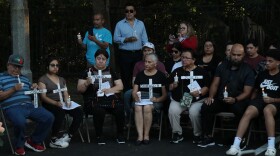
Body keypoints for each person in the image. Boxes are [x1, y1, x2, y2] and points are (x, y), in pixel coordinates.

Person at [198, 44, 255, 148]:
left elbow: (247, 92)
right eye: (234, 54)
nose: (236, 57)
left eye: (239, 55)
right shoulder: (222, 66)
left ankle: (240, 138)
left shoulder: (248, 70)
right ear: (230, 54)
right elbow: (215, 83)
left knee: (241, 110)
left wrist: (235, 99)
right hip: (221, 99)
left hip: (238, 100)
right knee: (207, 106)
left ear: (243, 55)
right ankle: (207, 136)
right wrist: (210, 96)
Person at [226, 49, 280, 156]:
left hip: (275, 102)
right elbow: (255, 91)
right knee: (249, 111)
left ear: (278, 62)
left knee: (267, 110)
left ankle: (271, 146)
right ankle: (235, 145)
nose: (267, 63)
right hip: (261, 100)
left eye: (270, 61)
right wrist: (252, 102)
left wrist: (272, 100)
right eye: (266, 61)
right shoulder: (262, 74)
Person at [0, 54, 54, 155]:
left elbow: (32, 95)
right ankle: (19, 145)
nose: (16, 69)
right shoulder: (1, 78)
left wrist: (34, 88)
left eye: (19, 67)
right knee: (20, 122)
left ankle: (32, 141)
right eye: (14, 66)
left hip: (29, 105)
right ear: (8, 65)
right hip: (12, 107)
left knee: (49, 117)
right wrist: (13, 89)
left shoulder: (24, 78)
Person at [77, 49, 125, 145]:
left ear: (106, 60)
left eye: (103, 59)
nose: (101, 60)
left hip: (109, 99)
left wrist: (109, 90)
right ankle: (99, 135)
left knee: (119, 107)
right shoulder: (87, 71)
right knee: (99, 109)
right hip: (92, 100)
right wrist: (86, 83)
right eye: (98, 58)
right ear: (95, 59)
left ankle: (120, 134)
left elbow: (120, 86)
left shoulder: (111, 70)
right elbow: (79, 89)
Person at [38, 57, 83, 148]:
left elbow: (65, 93)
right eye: (52, 65)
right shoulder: (43, 79)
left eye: (57, 65)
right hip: (50, 104)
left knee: (79, 112)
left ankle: (68, 135)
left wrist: (67, 101)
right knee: (60, 113)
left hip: (62, 103)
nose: (55, 67)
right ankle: (53, 139)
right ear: (48, 66)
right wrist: (56, 103)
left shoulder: (62, 79)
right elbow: (43, 97)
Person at [168, 49, 210, 144]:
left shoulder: (201, 71)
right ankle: (177, 133)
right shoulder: (176, 71)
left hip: (196, 100)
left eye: (187, 58)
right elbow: (169, 86)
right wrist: (172, 86)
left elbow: (207, 87)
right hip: (179, 99)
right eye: (182, 57)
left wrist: (199, 92)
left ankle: (197, 134)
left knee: (194, 112)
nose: (183, 60)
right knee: (173, 110)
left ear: (193, 60)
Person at [124, 42, 166, 119]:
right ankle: (130, 116)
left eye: (149, 50)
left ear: (154, 51)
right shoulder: (138, 64)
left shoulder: (160, 64)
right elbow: (134, 81)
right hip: (140, 89)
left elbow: (163, 81)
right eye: (145, 50)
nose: (146, 52)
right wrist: (137, 90)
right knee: (127, 94)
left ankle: (158, 118)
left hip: (155, 90)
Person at [132, 53, 167, 145]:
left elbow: (164, 95)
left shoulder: (161, 76)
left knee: (147, 107)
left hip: (155, 99)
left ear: (155, 64)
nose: (146, 64)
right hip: (141, 98)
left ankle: (146, 135)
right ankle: (140, 136)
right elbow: (134, 91)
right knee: (138, 107)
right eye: (145, 61)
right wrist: (135, 97)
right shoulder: (140, 75)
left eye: (149, 62)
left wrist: (157, 100)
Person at [113, 3, 148, 92]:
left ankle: (137, 96)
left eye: (131, 11)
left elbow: (145, 40)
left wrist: (146, 53)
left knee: (138, 75)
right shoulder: (119, 24)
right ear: (125, 13)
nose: (129, 13)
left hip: (138, 53)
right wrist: (126, 39)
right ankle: (126, 98)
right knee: (125, 76)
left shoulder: (141, 24)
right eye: (127, 11)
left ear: (135, 12)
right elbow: (115, 39)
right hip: (125, 54)